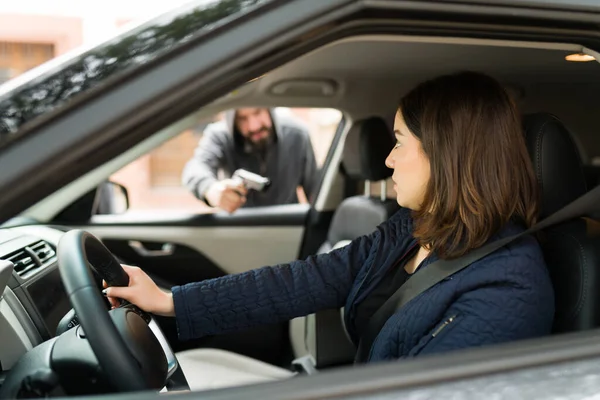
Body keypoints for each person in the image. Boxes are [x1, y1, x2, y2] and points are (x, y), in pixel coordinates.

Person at [104, 71, 554, 380]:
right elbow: (305, 279)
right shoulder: (412, 229)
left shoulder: (508, 286)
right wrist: (171, 303)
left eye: (399, 142)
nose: (388, 159)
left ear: (448, 154)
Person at [182, 107, 318, 213]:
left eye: (258, 112)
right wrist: (210, 189)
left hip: (289, 228)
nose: (254, 126)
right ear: (232, 121)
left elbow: (315, 191)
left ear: (269, 109)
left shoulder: (297, 135)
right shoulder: (219, 137)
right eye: (242, 119)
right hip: (242, 228)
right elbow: (195, 167)